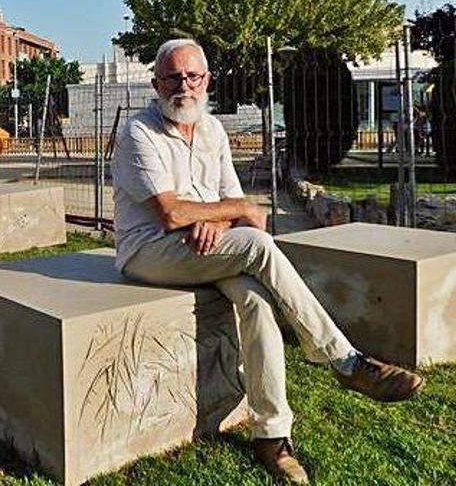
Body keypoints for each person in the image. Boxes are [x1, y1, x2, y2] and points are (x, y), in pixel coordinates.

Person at [111, 39, 425, 484]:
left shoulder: (212, 130)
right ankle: (345, 362)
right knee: (258, 245)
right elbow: (173, 213)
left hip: (206, 248)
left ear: (207, 81)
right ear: (156, 82)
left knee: (256, 301)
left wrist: (223, 222)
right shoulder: (139, 133)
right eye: (173, 77)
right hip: (149, 250)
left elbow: (239, 205)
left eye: (192, 76)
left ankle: (272, 438)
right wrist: (232, 217)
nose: (183, 85)